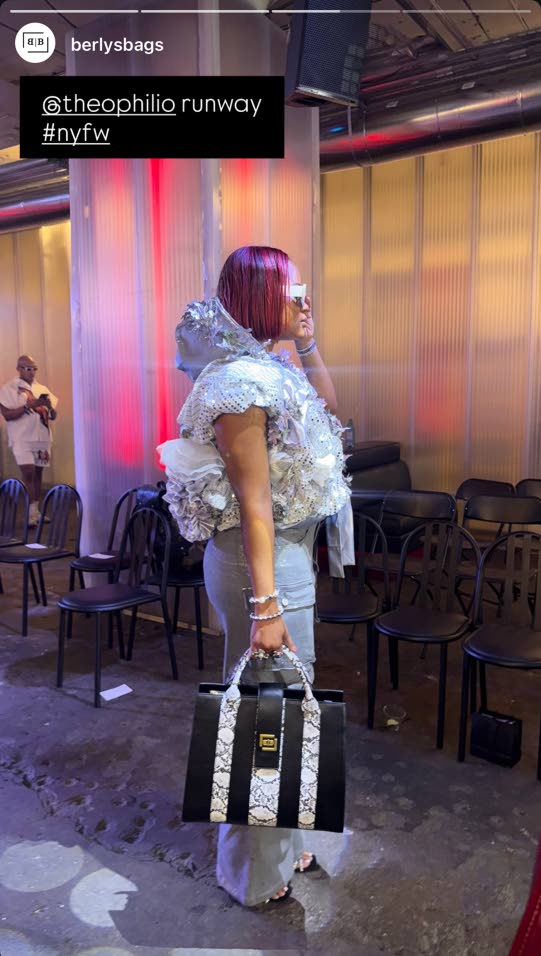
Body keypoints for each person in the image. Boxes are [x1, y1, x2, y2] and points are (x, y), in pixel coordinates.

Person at [158, 245, 352, 907]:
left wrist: (309, 344)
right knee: (265, 709)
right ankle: (252, 871)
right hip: (260, 560)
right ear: (262, 296)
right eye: (293, 290)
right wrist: (266, 606)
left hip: (284, 553)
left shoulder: (271, 367)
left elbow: (333, 416)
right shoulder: (236, 383)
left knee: (285, 703)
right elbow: (254, 501)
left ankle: (282, 841)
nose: (304, 300)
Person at [0, 355, 58, 527]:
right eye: (27, 368)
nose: (31, 372)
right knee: (28, 473)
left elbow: (53, 416)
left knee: (38, 473)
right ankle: (29, 513)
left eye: (34, 369)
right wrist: (28, 406)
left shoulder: (42, 388)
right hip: (22, 438)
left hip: (41, 438)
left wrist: (49, 407)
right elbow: (7, 415)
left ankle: (35, 512)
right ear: (18, 368)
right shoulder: (9, 388)